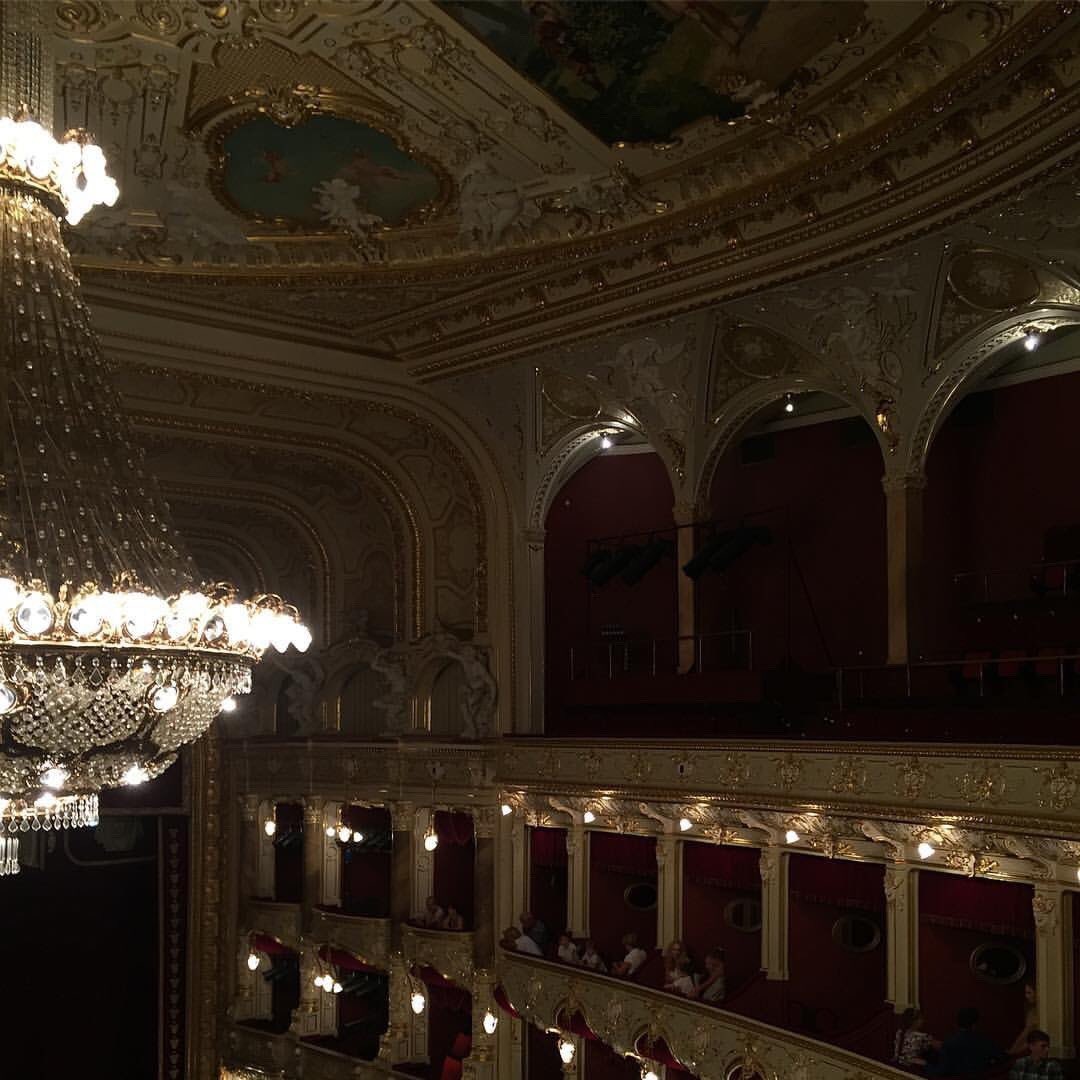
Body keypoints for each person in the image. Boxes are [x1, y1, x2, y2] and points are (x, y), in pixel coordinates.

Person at [927, 1008, 1004, 1077]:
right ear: (974, 1024)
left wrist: (927, 1064)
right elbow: (1001, 1057)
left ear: (957, 1023)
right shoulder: (985, 1041)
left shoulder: (949, 1043)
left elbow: (939, 1072)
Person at [1009, 985, 1039, 1056]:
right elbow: (1026, 1033)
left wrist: (1013, 1051)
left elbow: (1027, 1033)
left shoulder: (1036, 1010)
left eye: (1029, 993)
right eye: (1026, 993)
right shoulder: (1031, 1009)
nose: (1026, 996)